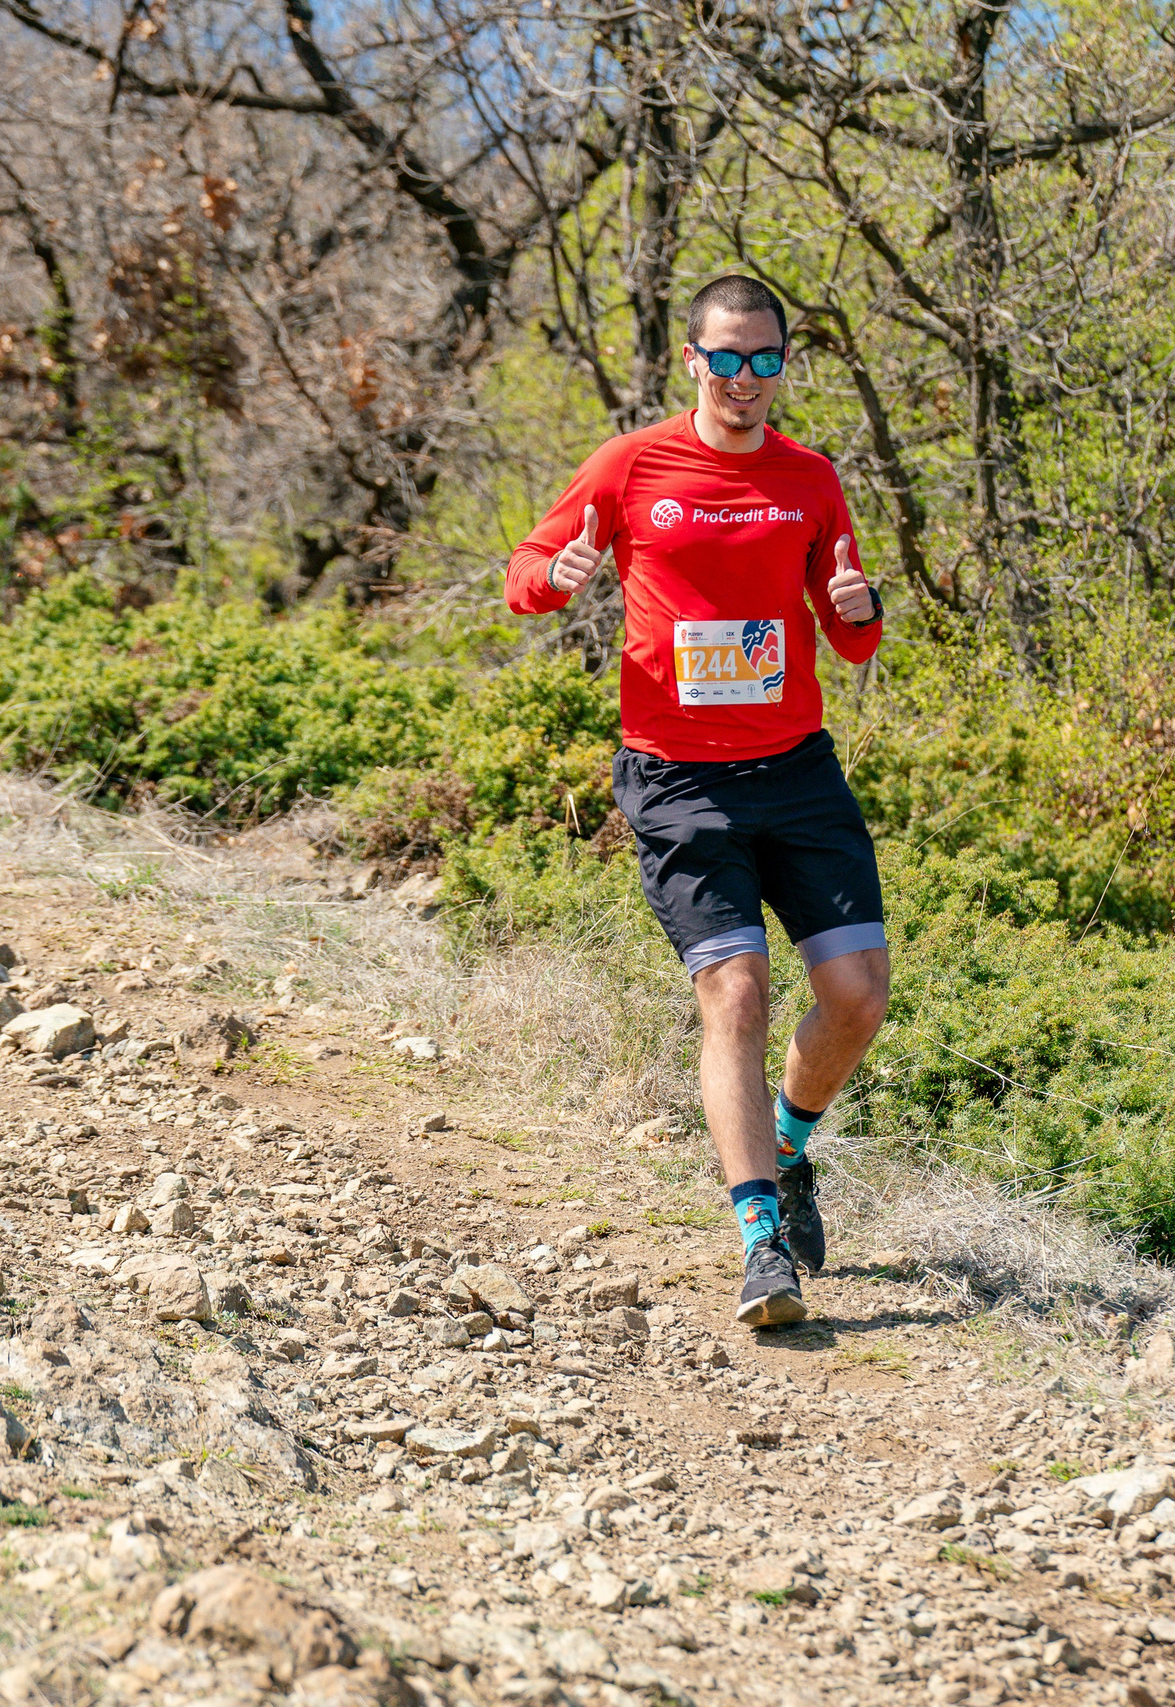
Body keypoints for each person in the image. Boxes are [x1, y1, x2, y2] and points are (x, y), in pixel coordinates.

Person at [505, 274, 889, 1328]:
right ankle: (760, 1239)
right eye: (725, 358)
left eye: (765, 360)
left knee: (856, 997)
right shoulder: (631, 465)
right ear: (692, 361)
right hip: (677, 777)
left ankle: (791, 1145)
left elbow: (849, 631)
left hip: (796, 770)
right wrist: (562, 575)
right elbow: (524, 574)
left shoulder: (810, 479)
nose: (745, 379)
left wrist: (861, 610)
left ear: (783, 367)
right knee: (736, 991)